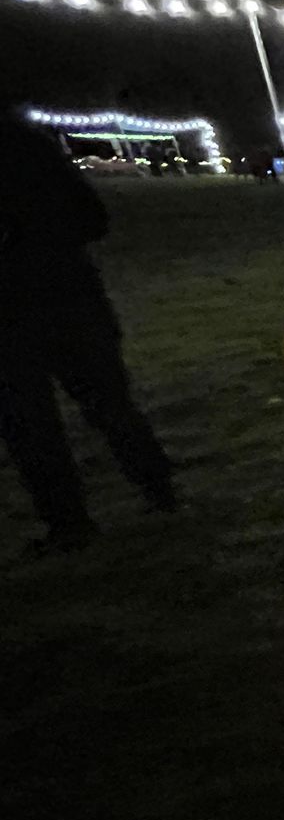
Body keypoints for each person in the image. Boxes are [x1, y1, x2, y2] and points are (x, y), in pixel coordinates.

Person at [0, 110, 175, 555]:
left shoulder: (26, 147)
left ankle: (117, 504)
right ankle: (143, 495)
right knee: (58, 416)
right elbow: (92, 219)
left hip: (56, 304)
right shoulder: (32, 144)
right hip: (64, 303)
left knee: (67, 415)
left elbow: (90, 219)